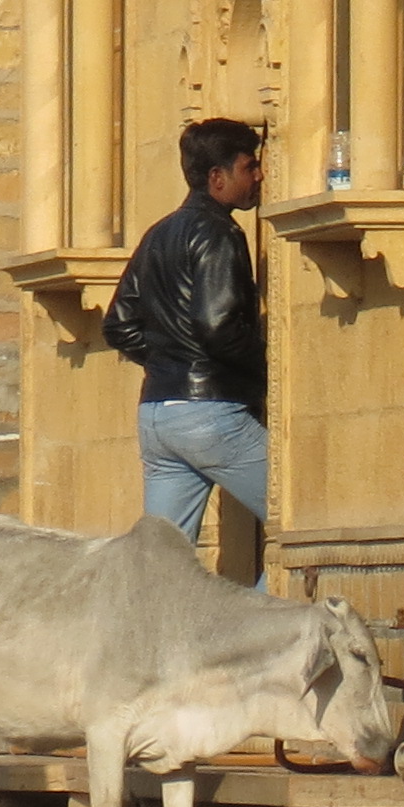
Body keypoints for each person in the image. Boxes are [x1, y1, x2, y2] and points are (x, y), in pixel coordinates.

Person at [108, 118, 270, 540]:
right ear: (217, 178)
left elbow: (118, 325)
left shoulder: (159, 233)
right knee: (304, 521)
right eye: (249, 167)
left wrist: (170, 363)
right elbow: (217, 327)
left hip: (158, 416)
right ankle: (253, 611)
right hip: (212, 413)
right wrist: (267, 366)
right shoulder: (218, 232)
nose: (259, 176)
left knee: (162, 563)